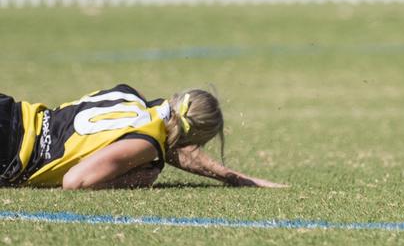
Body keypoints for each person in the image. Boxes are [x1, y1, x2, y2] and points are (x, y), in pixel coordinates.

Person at [1, 83, 285, 189]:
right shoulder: (146, 143)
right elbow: (74, 181)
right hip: (11, 150)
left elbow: (168, 142)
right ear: (195, 139)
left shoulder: (131, 96)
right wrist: (132, 179)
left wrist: (234, 178)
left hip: (12, 112)